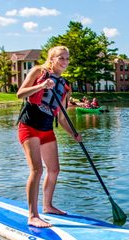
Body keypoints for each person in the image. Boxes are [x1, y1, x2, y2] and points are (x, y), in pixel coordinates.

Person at [16, 45, 82, 228]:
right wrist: (42, 85)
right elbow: (20, 93)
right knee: (37, 170)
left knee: (54, 169)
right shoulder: (38, 71)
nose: (65, 62)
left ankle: (48, 206)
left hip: (46, 129)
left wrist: (73, 133)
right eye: (61, 58)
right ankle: (32, 215)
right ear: (51, 59)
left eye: (67, 59)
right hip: (29, 127)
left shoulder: (65, 85)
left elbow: (61, 117)